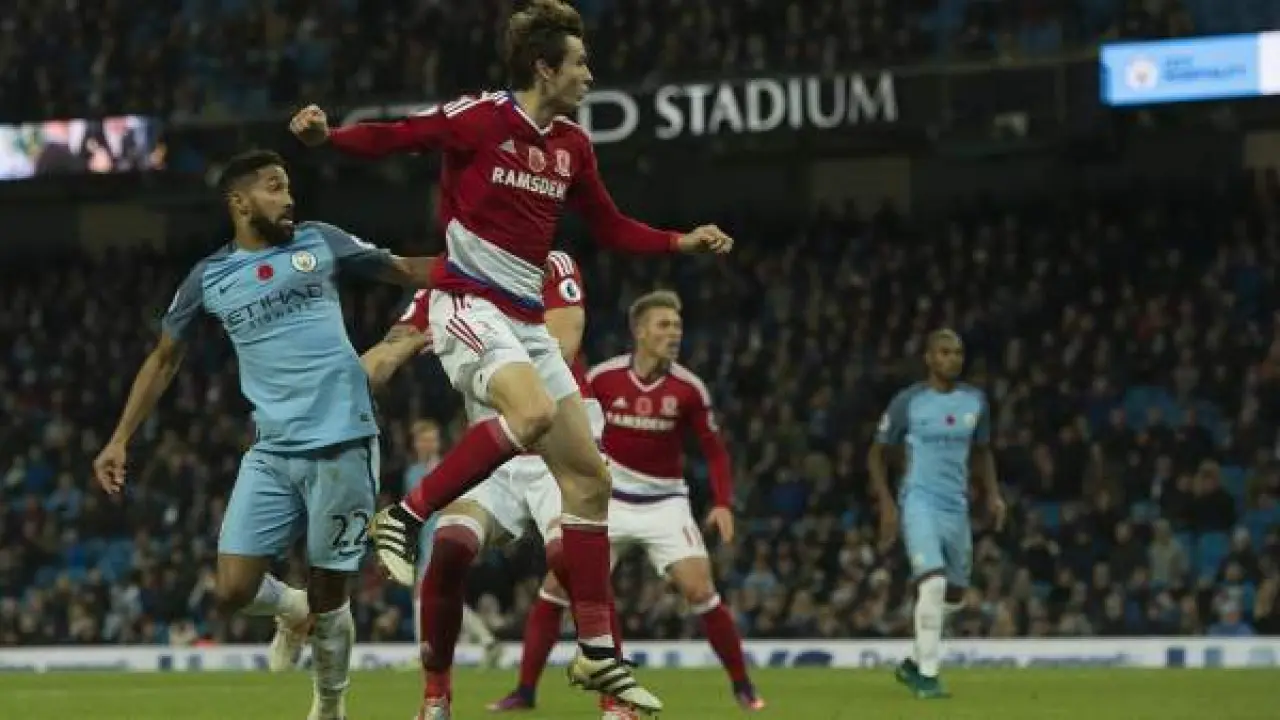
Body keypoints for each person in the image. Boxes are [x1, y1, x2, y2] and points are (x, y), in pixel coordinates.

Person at [289, 0, 731, 709]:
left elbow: (611, 226)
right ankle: (406, 515)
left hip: (525, 320)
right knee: (529, 414)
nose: (590, 75)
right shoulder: (480, 118)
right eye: (580, 63)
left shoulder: (572, 146)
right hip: (469, 304)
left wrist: (680, 241)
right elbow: (398, 136)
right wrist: (328, 138)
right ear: (545, 68)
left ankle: (596, 655)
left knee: (589, 479)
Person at [91, 149, 439, 720]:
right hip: (272, 450)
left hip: (343, 444)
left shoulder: (319, 240)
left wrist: (488, 269)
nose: (289, 198)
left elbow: (403, 269)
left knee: (331, 594)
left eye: (289, 187)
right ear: (239, 201)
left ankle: (330, 705)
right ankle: (290, 608)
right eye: (274, 187)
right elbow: (163, 359)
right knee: (232, 589)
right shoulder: (209, 277)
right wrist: (119, 438)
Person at [364, 251, 633, 719]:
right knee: (448, 549)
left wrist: (470, 334)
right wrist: (336, 386)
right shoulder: (443, 288)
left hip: (560, 443)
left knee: (571, 561)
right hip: (495, 449)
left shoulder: (548, 263)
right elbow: (386, 354)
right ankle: (436, 698)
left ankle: (617, 702)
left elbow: (563, 344)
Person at [491, 289, 765, 712]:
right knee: (558, 586)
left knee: (699, 588)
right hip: (609, 498)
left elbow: (714, 450)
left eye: (677, 326)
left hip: (664, 501)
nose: (674, 333)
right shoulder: (604, 378)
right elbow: (570, 421)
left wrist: (723, 502)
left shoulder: (689, 388)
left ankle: (743, 686)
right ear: (639, 331)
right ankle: (525, 691)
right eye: (664, 325)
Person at [867, 329, 1006, 700]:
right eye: (944, 352)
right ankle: (928, 677)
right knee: (933, 584)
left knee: (955, 594)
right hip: (919, 500)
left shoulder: (975, 402)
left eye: (957, 353)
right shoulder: (908, 402)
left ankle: (914, 662)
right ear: (929, 358)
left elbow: (982, 451)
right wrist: (887, 504)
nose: (952, 359)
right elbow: (876, 453)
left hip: (956, 506)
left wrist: (993, 494)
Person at [404, 419, 501, 669]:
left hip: (444, 536)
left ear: (438, 442)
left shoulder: (449, 466)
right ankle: (488, 641)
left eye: (431, 439)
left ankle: (425, 650)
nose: (427, 444)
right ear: (415, 444)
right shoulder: (412, 473)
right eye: (423, 440)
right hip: (424, 541)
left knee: (424, 593)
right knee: (438, 594)